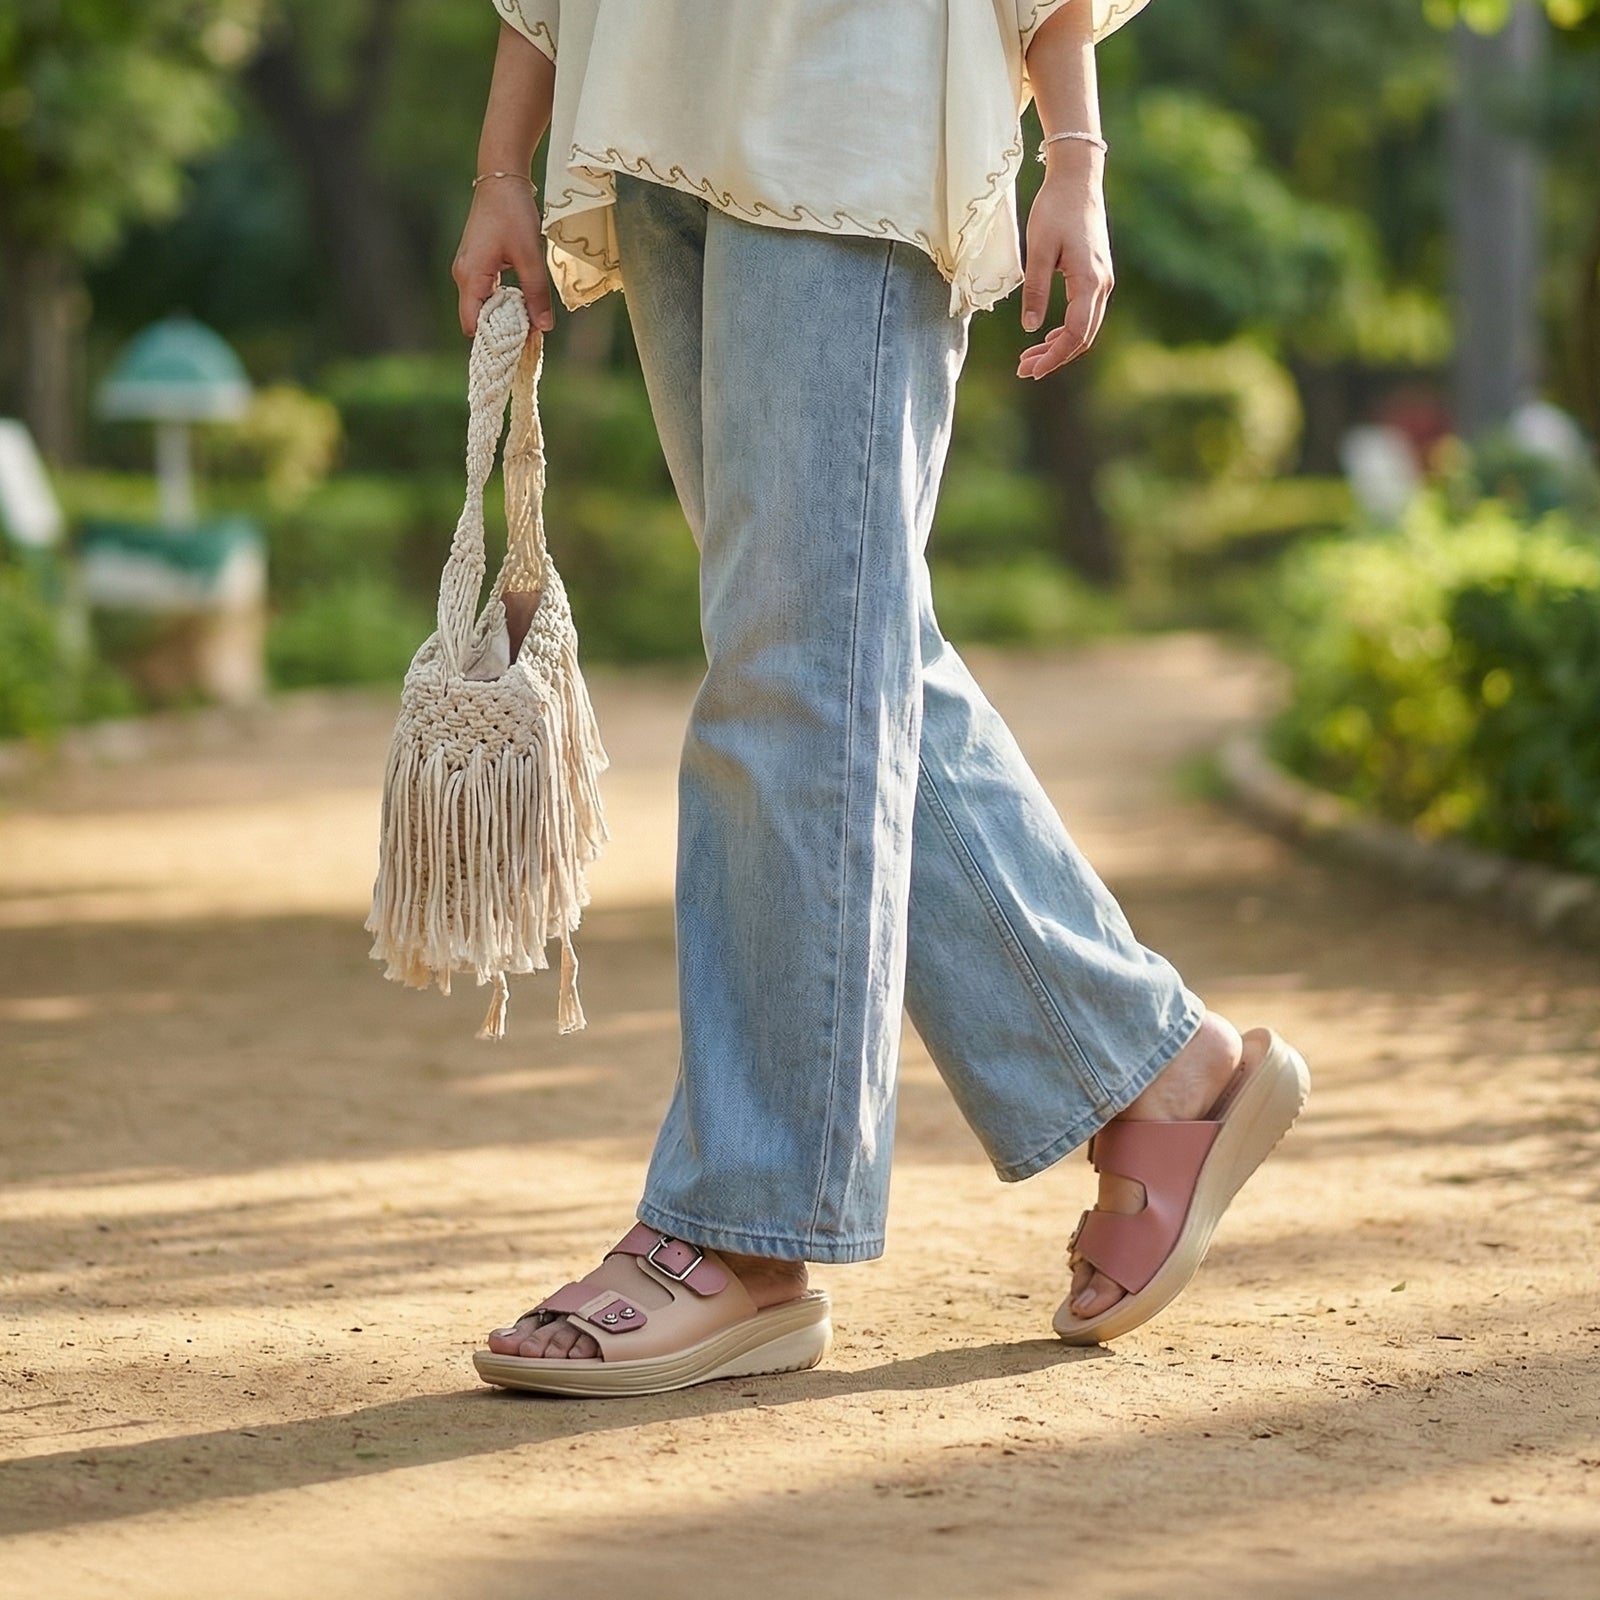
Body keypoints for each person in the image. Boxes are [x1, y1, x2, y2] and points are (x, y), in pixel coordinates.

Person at [453, 0, 1309, 1399]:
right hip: (650, 114)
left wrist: (1076, 149)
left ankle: (740, 1228)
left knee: (798, 671)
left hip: (852, 105)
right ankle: (1161, 1076)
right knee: (839, 654)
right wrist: (501, 163)